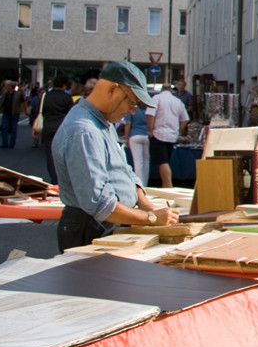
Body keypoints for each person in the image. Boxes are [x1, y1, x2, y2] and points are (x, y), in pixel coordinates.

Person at [54, 61, 179, 250]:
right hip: (90, 228)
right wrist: (151, 218)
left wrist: (143, 202)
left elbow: (123, 169)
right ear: (113, 89)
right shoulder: (84, 131)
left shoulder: (102, 122)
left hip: (104, 224)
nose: (131, 111)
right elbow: (100, 204)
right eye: (131, 102)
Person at [146, 83, 190, 188]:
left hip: (159, 133)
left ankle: (167, 185)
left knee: (162, 161)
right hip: (172, 135)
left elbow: (150, 115)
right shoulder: (177, 101)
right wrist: (178, 130)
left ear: (161, 89)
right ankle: (165, 184)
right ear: (171, 90)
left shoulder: (156, 98)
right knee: (165, 160)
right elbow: (185, 119)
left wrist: (150, 130)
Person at [41, 75, 75, 184]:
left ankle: (54, 179)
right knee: (62, 154)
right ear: (64, 85)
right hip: (61, 127)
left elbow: (43, 110)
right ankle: (62, 178)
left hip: (48, 126)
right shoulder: (66, 97)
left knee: (50, 155)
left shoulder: (46, 96)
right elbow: (71, 113)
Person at [123, 104, 151, 187]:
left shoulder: (133, 110)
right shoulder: (148, 110)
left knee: (138, 162)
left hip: (135, 135)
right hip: (146, 136)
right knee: (146, 161)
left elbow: (128, 123)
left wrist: (126, 137)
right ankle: (145, 184)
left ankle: (139, 184)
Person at [0, 80, 24, 149]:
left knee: (13, 129)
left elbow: (22, 102)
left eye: (6, 86)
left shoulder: (18, 94)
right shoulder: (4, 94)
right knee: (4, 128)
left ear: (10, 86)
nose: (5, 87)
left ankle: (12, 144)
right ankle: (4, 143)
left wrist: (23, 110)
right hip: (6, 113)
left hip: (14, 113)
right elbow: (1, 102)